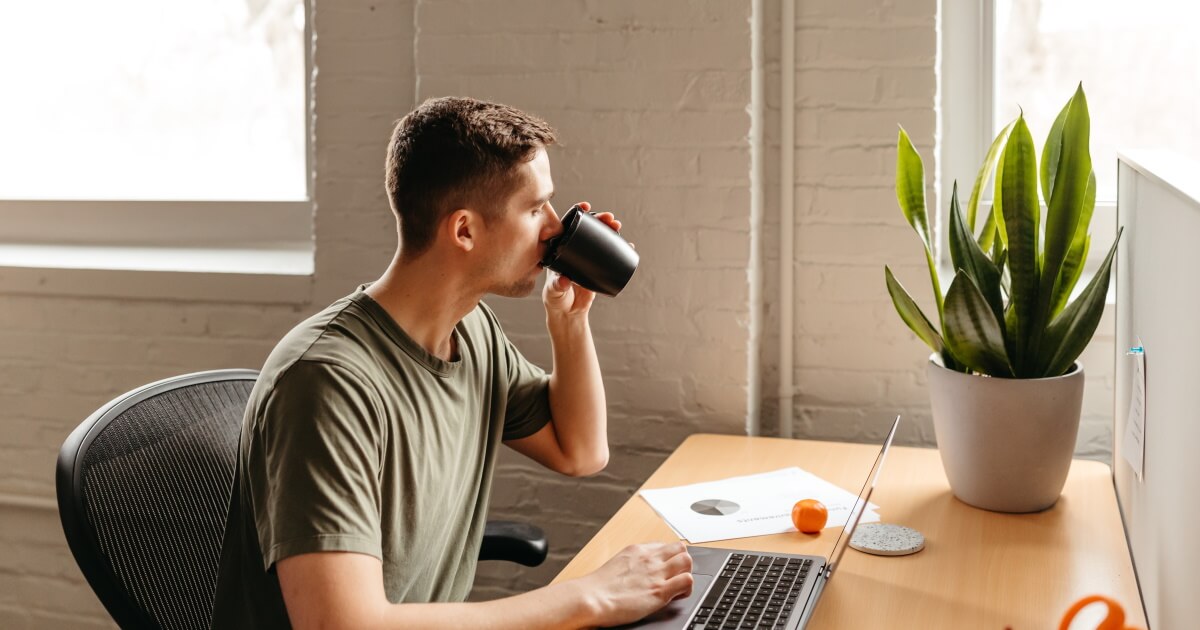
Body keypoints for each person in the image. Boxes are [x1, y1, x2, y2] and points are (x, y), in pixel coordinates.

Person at [210, 96, 694, 629]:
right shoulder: (327, 383)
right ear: (464, 230)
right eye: (535, 209)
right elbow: (340, 625)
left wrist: (570, 320)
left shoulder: (473, 331)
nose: (555, 228)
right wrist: (590, 597)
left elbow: (579, 451)